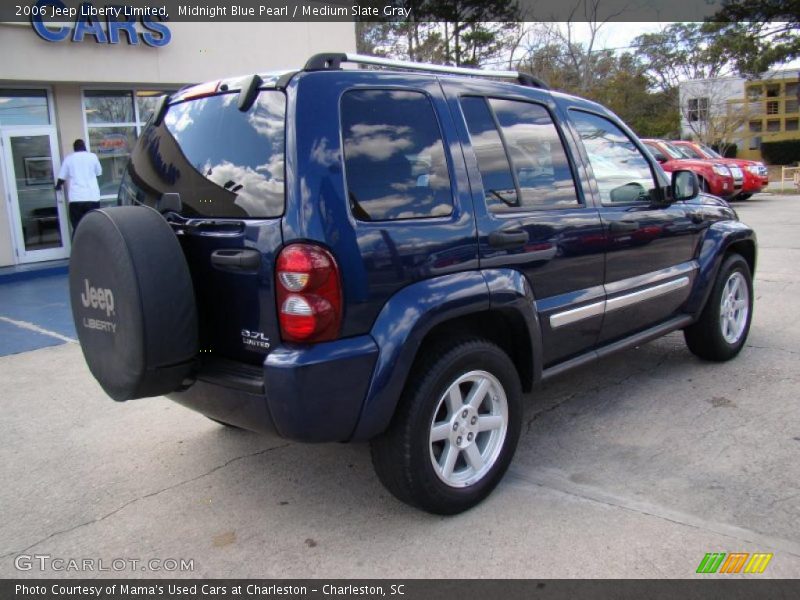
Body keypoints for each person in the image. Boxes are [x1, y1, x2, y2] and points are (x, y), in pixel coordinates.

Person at [55, 139, 102, 234]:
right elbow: (99, 173)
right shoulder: (92, 157)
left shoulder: (69, 159)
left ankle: (79, 247)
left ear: (74, 148)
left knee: (77, 228)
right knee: (94, 227)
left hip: (76, 199)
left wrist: (57, 187)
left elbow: (61, 178)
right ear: (84, 146)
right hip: (92, 197)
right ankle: (94, 247)